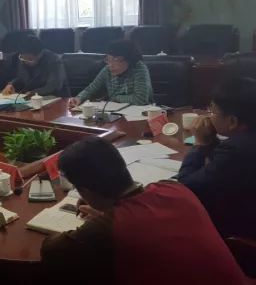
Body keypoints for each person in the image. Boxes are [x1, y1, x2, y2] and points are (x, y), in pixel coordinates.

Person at [40, 137, 249, 285]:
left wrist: (102, 222)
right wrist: (105, 216)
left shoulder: (109, 228)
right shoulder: (173, 188)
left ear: (85, 191)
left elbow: (52, 251)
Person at [177, 77, 256, 239]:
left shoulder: (235, 150)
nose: (208, 115)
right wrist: (209, 143)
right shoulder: (242, 142)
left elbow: (186, 186)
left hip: (239, 232)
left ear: (233, 121)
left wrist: (199, 144)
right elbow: (223, 166)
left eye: (212, 111)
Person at [68, 39, 153, 107]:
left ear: (129, 60)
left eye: (116, 60)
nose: (110, 65)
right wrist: (79, 98)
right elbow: (92, 88)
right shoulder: (107, 70)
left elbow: (140, 100)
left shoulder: (139, 69)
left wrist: (115, 98)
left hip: (141, 114)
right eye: (108, 60)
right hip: (117, 112)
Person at [2, 36, 70, 98]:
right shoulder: (24, 60)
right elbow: (21, 77)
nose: (26, 62)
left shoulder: (54, 61)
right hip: (31, 99)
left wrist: (33, 93)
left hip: (56, 99)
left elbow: (54, 86)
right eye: (23, 58)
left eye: (30, 59)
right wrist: (12, 84)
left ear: (40, 54)